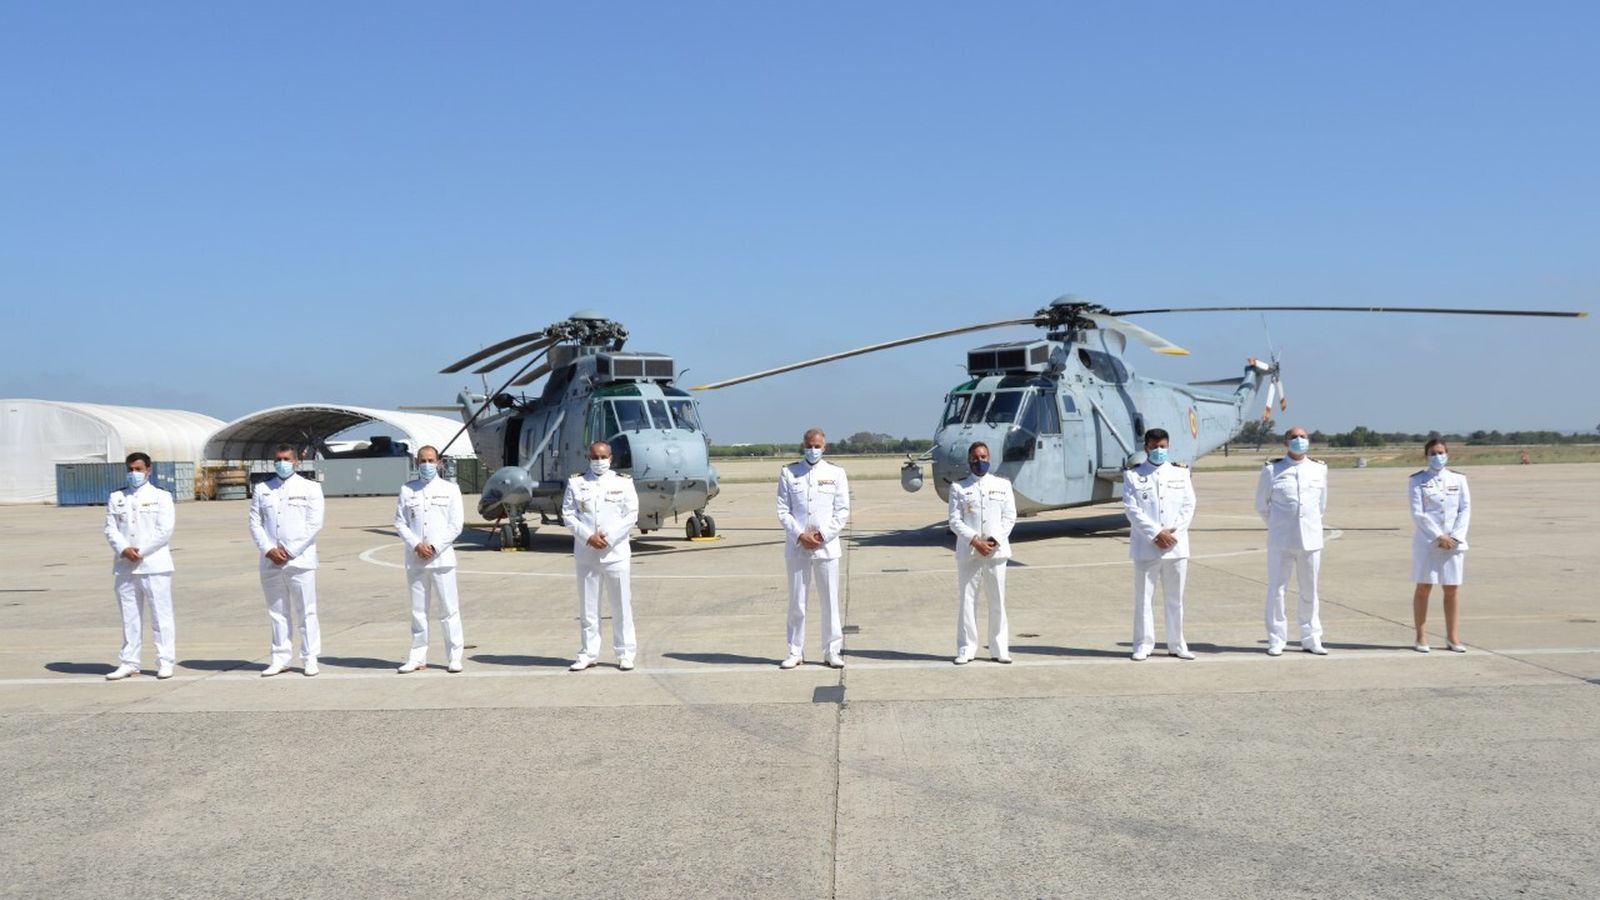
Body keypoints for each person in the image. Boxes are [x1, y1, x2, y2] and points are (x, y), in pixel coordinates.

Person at [561, 441, 640, 672]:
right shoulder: (577, 483)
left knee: (621, 606)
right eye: (595, 457)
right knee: (588, 608)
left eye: (603, 457)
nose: (599, 461)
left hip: (615, 553)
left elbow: (630, 514)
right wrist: (588, 537)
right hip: (587, 553)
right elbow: (568, 514)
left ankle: (625, 653)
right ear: (588, 458)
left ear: (611, 458)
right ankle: (588, 653)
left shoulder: (623, 483)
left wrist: (608, 538)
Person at [776, 428, 850, 669]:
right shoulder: (789, 472)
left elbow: (842, 511)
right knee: (797, 602)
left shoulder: (836, 473)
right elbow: (783, 511)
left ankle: (832, 650)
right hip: (797, 547)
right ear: (803, 445)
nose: (813, 450)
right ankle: (795, 650)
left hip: (826, 548)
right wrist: (800, 535)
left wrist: (821, 535)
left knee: (830, 602)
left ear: (824, 447)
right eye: (809, 445)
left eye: (817, 446)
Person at [248, 444, 325, 677]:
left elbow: (314, 523)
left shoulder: (310, 488)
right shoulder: (263, 489)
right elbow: (255, 522)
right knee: (277, 612)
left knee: (306, 611)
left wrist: (290, 551)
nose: (282, 463)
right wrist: (269, 549)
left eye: (286, 459)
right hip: (271, 560)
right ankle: (280, 657)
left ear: (296, 462)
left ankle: (310, 657)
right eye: (278, 459)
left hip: (300, 560)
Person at [1121, 428, 1196, 661]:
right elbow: (1132, 509)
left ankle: (1177, 643)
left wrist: (1173, 534)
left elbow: (1188, 505)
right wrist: (1156, 533)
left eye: (1163, 446)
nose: (1159, 450)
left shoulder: (1181, 473)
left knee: (1175, 599)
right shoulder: (1133, 475)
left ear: (1169, 446)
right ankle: (1143, 643)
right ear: (1146, 448)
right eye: (1154, 447)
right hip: (1146, 547)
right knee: (1144, 598)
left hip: (1176, 546)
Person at [1254, 425, 1329, 656]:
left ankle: (1311, 637)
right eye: (1294, 437)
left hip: (1311, 540)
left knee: (1310, 590)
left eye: (1303, 437)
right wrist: (1279, 525)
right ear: (1285, 443)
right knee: (1277, 590)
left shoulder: (1319, 469)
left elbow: (1321, 506)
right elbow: (1261, 505)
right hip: (1281, 540)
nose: (1299, 440)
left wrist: (1306, 525)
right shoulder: (1272, 470)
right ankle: (1277, 638)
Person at [103, 452, 177, 680]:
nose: (134, 473)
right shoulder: (117, 497)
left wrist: (140, 552)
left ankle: (165, 661)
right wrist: (124, 548)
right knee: (129, 616)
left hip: (153, 564)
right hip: (125, 565)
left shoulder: (161, 496)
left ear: (148, 470)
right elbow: (110, 528)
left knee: (160, 616)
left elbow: (163, 530)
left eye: (138, 469)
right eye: (130, 469)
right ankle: (129, 661)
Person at [393, 446, 465, 673]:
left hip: (441, 559)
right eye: (422, 461)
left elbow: (456, 524)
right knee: (418, 611)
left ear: (439, 463)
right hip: (416, 559)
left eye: (431, 460)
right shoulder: (407, 490)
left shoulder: (451, 489)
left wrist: (434, 547)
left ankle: (454, 656)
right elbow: (400, 522)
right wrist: (416, 545)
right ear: (416, 463)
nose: (427, 465)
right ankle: (417, 656)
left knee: (448, 610)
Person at [947, 442, 1016, 664]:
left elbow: (1009, 517)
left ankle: (999, 648)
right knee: (967, 602)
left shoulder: (1002, 485)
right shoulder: (959, 488)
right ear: (969, 460)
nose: (980, 461)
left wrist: (993, 541)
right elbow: (954, 520)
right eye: (976, 457)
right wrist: (975, 541)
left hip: (995, 553)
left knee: (997, 602)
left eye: (984, 457)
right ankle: (966, 648)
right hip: (970, 553)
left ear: (990, 458)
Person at [1409, 438, 1470, 653]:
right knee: (1424, 587)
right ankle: (1421, 636)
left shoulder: (1458, 479)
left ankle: (1453, 637)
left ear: (1448, 454)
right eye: (1433, 453)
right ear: (1426, 456)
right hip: (1428, 542)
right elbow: (1419, 513)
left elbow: (1465, 510)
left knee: (1451, 589)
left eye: (1441, 452)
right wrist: (1438, 536)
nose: (1437, 456)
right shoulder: (1418, 480)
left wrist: (1455, 537)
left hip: (1454, 543)